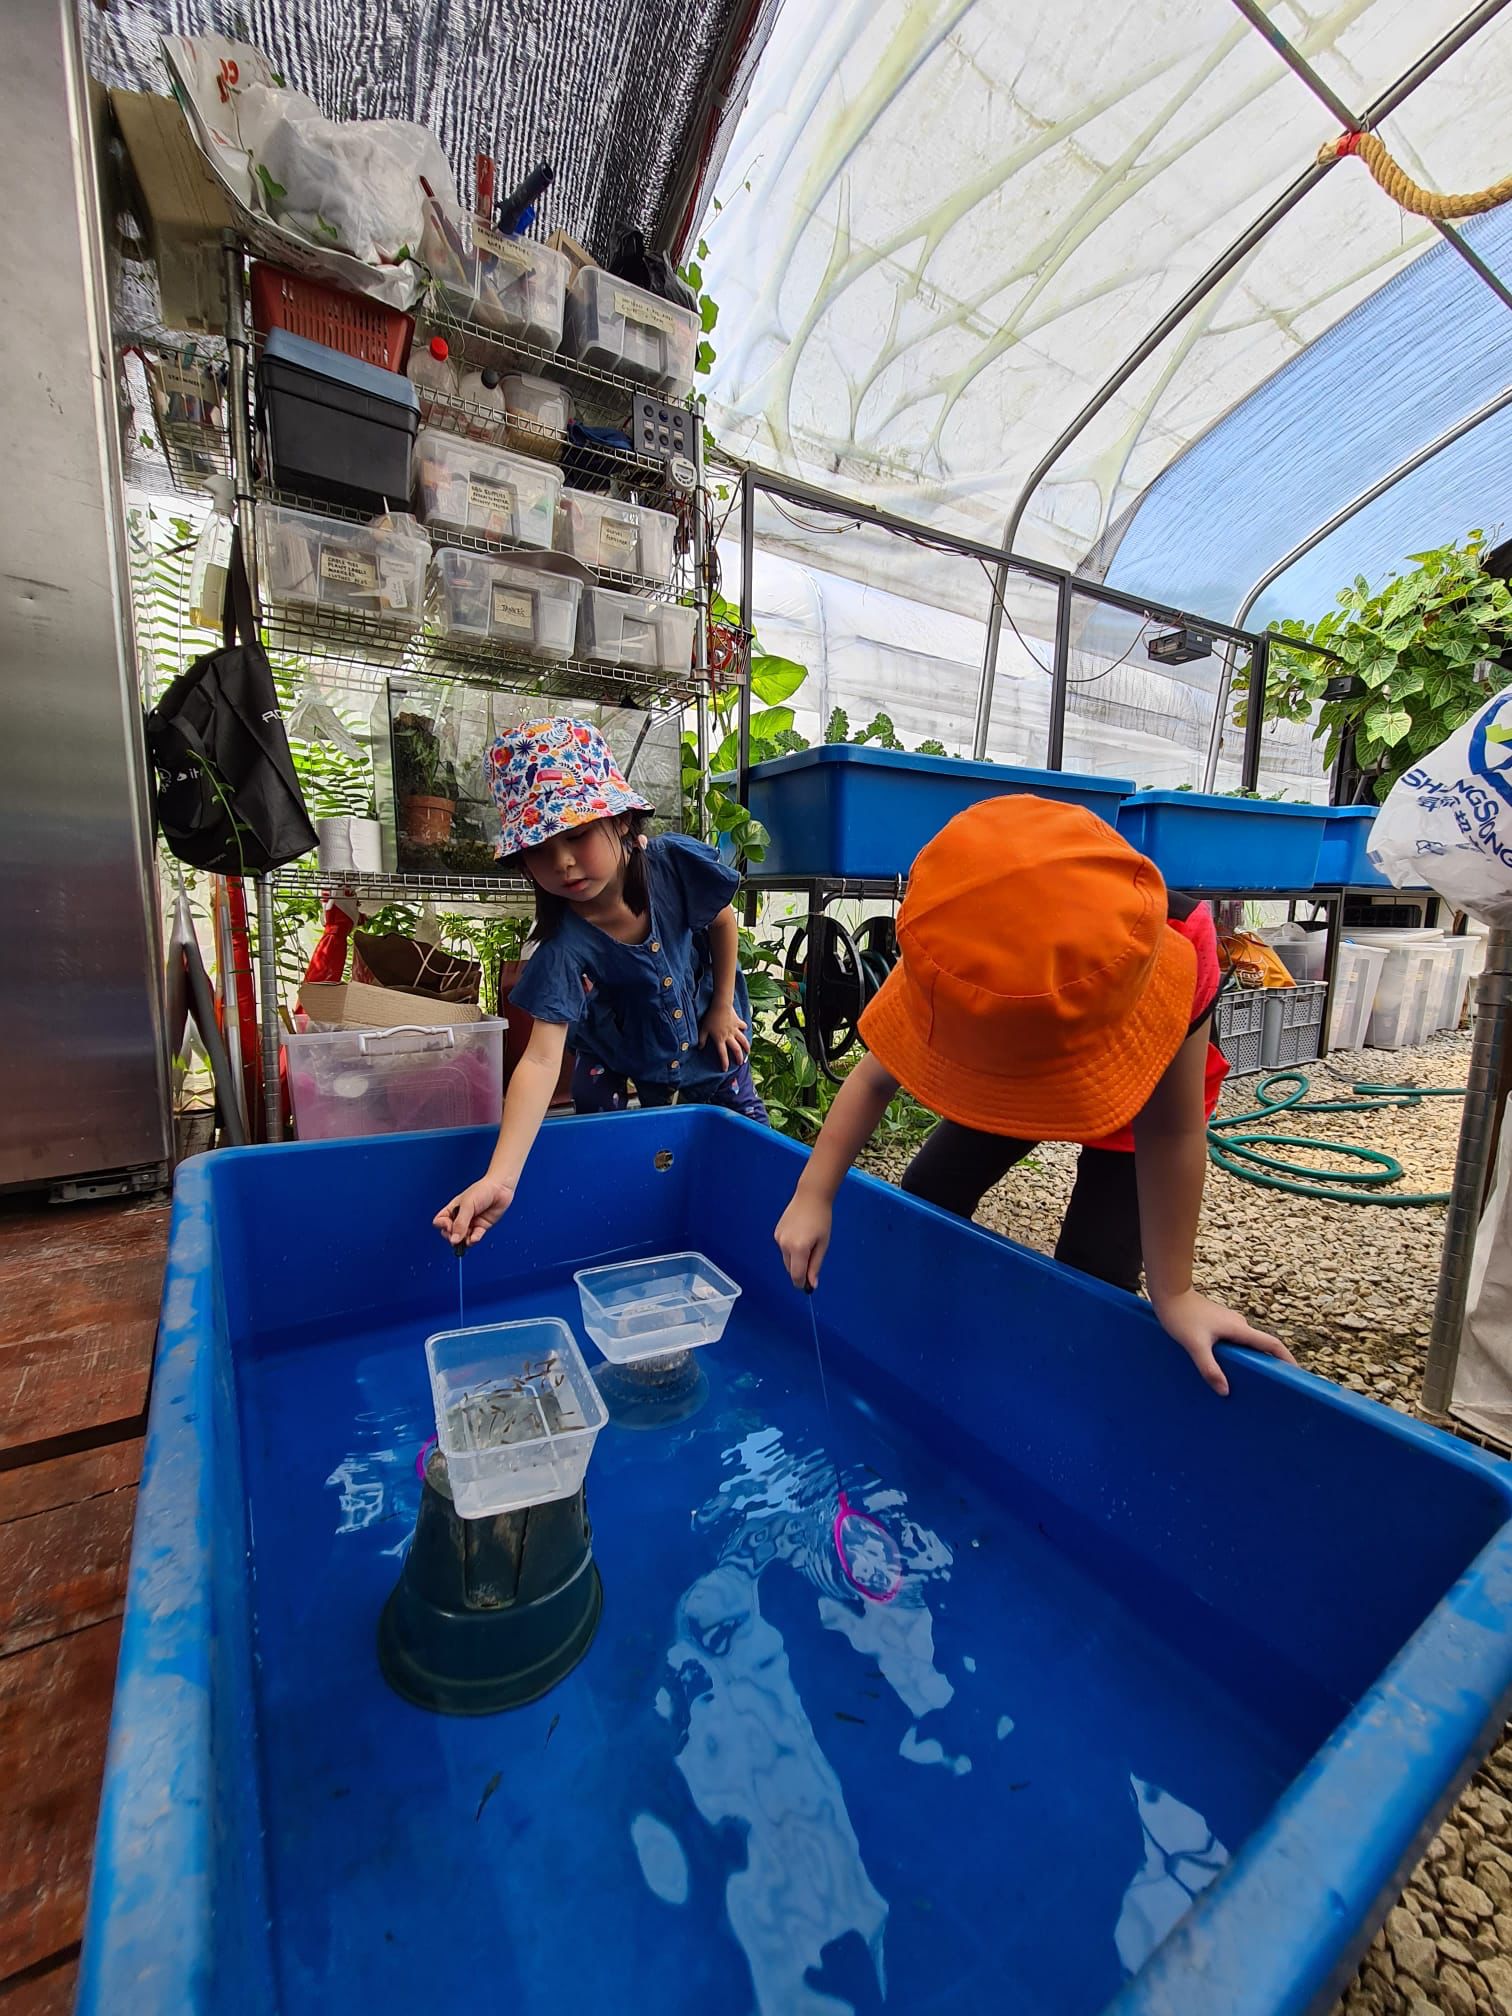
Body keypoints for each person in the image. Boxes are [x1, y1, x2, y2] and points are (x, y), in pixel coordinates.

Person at [774, 796, 1293, 1396]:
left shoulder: (1174, 950)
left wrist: (1175, 1293)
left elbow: (1172, 1131)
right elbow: (872, 1077)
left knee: (1092, 1276)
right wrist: (813, 1195)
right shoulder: (955, 947)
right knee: (928, 1191)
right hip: (1002, 1054)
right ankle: (930, 1333)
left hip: (1130, 1069)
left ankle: (1063, 1388)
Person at [436, 716, 767, 1248]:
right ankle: (634, 1225)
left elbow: (723, 920)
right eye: (540, 849)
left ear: (622, 821)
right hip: (626, 1044)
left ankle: (755, 1232)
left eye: (577, 835)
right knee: (617, 1124)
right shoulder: (562, 948)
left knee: (750, 1137)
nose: (563, 863)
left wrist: (723, 1006)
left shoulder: (671, 866)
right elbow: (540, 1059)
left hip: (710, 1026)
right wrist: (500, 1178)